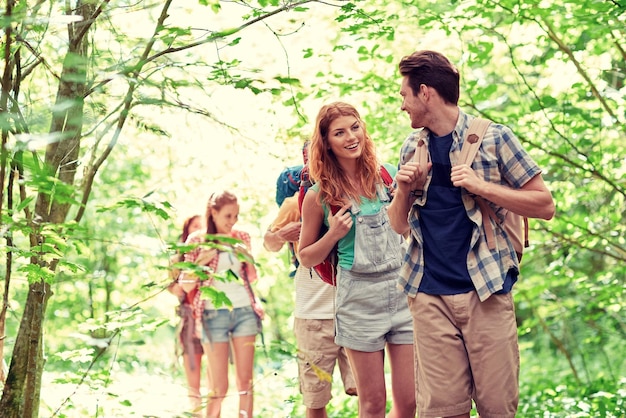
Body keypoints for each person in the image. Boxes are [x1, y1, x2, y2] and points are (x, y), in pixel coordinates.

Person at [387, 50, 556, 418]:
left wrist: (483, 187)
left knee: (497, 408)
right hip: (428, 294)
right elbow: (398, 226)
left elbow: (545, 205)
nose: (402, 105)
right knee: (442, 411)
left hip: (487, 291)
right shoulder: (411, 147)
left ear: (425, 92)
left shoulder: (495, 139)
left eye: (404, 94)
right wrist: (403, 189)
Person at [298, 102, 416, 418]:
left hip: (401, 292)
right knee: (373, 405)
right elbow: (306, 256)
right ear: (326, 142)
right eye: (340, 132)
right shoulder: (319, 196)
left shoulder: (386, 175)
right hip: (358, 301)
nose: (351, 137)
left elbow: (405, 227)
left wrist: (405, 190)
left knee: (410, 403)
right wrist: (333, 234)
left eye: (355, 127)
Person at [263, 142, 357, 418]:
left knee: (367, 391)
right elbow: (268, 242)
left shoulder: (361, 193)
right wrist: (284, 234)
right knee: (315, 399)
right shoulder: (297, 202)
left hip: (356, 307)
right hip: (313, 312)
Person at [179, 191, 264, 418]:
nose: (233, 221)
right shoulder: (197, 240)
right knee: (219, 387)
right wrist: (199, 262)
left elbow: (253, 277)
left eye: (236, 215)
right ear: (213, 213)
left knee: (245, 381)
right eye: (228, 216)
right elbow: (186, 286)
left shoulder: (242, 236)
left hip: (244, 311)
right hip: (212, 315)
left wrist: (247, 258)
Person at [168, 214, 206, 415]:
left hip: (211, 317)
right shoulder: (178, 257)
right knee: (192, 365)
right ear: (187, 229)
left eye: (202, 226)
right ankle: (195, 410)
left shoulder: (214, 251)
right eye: (195, 226)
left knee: (216, 368)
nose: (199, 229)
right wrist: (178, 286)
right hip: (189, 318)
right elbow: (171, 285)